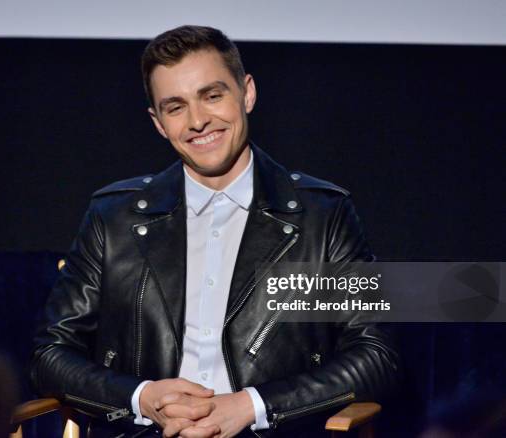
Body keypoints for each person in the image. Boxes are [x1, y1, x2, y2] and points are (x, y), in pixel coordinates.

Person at [30, 25, 399, 437]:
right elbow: (50, 354)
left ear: (247, 93)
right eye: (175, 107)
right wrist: (142, 397)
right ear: (158, 122)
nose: (198, 121)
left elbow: (376, 354)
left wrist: (252, 405)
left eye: (212, 96)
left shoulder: (323, 215)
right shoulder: (112, 216)